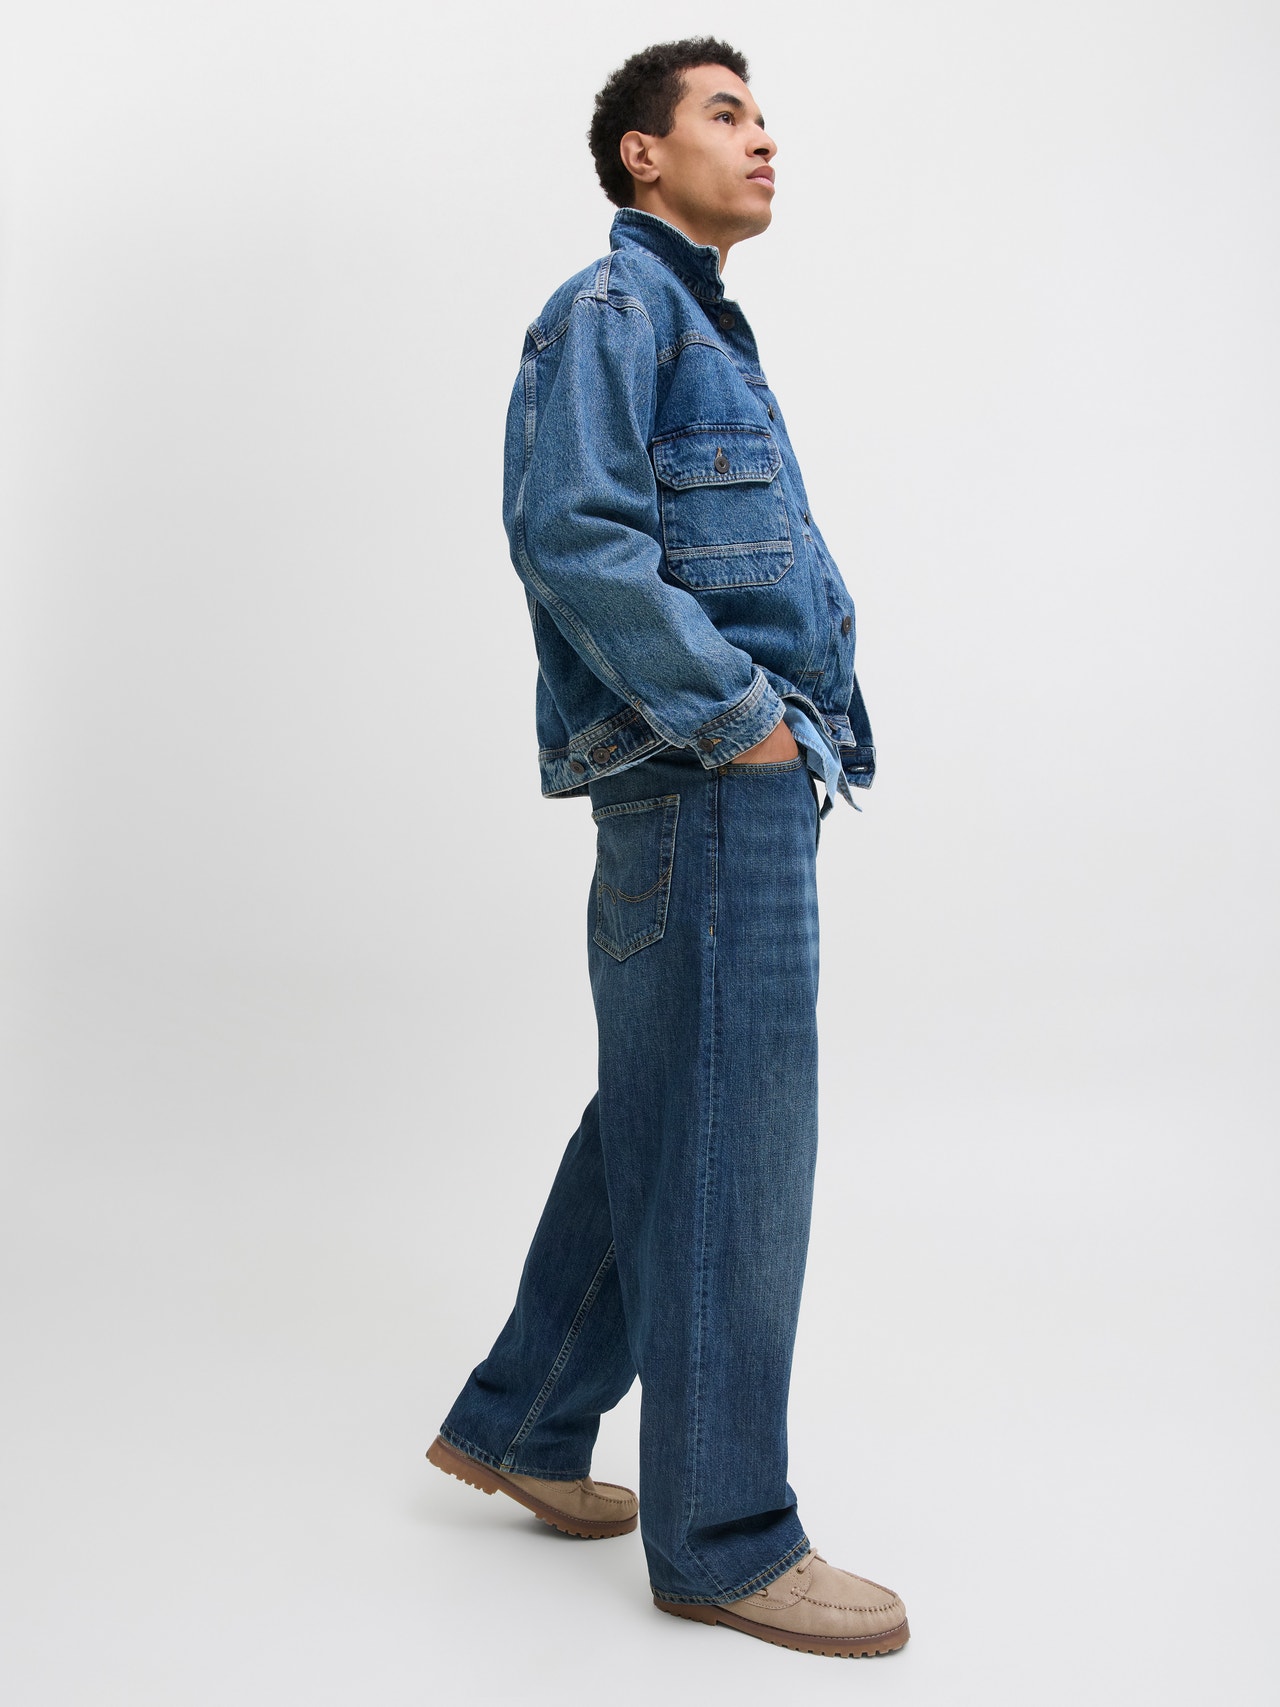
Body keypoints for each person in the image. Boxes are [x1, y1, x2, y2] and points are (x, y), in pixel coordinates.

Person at [427, 38, 908, 1658]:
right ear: (642, 153)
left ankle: (524, 1420)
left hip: (726, 778)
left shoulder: (701, 326)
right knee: (733, 1142)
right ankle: (724, 1535)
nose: (764, 138)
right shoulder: (613, 310)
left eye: (764, 115)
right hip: (706, 776)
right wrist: (739, 719)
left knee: (666, 1110)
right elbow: (570, 536)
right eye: (725, 113)